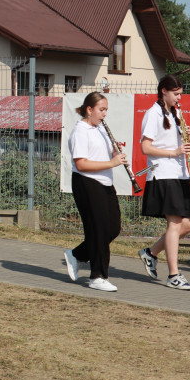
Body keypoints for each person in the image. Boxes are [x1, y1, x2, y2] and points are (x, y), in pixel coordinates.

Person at [138, 75, 190, 291]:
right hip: (163, 173)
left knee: (189, 223)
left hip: (180, 173)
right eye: (176, 94)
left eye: (180, 94)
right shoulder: (153, 113)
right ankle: (174, 275)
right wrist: (174, 152)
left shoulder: (176, 112)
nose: (179, 98)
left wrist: (185, 136)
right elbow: (146, 148)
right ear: (164, 91)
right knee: (174, 224)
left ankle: (151, 253)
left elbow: (175, 139)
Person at [63, 92, 125, 292]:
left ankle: (78, 255)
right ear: (89, 110)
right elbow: (81, 164)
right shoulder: (80, 131)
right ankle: (97, 276)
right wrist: (112, 162)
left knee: (112, 228)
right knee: (98, 230)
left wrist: (115, 154)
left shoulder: (100, 129)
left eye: (106, 110)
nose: (104, 114)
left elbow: (103, 154)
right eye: (101, 109)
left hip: (105, 182)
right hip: (87, 182)